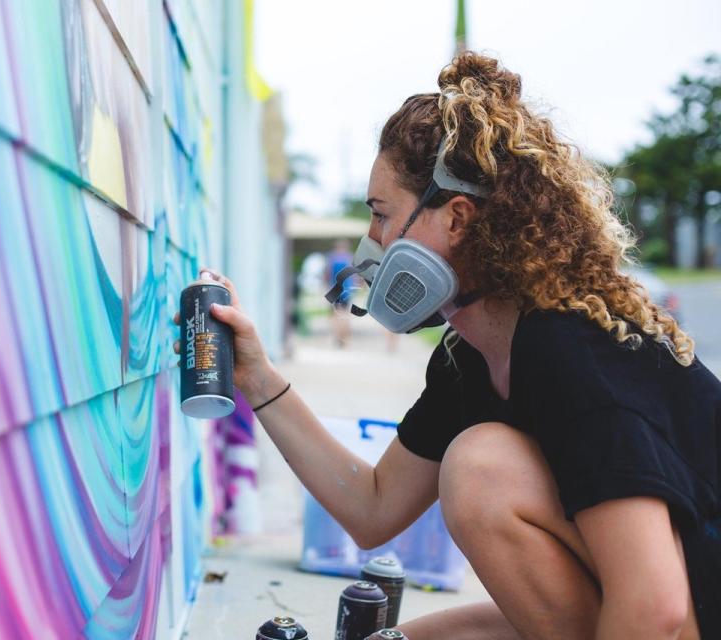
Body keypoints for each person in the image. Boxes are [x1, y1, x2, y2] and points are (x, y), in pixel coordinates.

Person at [175, 52, 720, 639]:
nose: (372, 242)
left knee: (482, 467)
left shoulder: (571, 351)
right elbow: (372, 507)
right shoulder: (471, 358)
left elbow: (654, 613)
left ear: (457, 217)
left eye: (382, 216)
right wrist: (256, 377)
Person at [325, 239, 357, 347]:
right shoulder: (349, 258)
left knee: (335, 314)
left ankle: (337, 337)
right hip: (346, 290)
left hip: (335, 290)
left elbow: (327, 275)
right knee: (345, 314)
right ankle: (344, 338)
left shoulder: (331, 258)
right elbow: (355, 276)